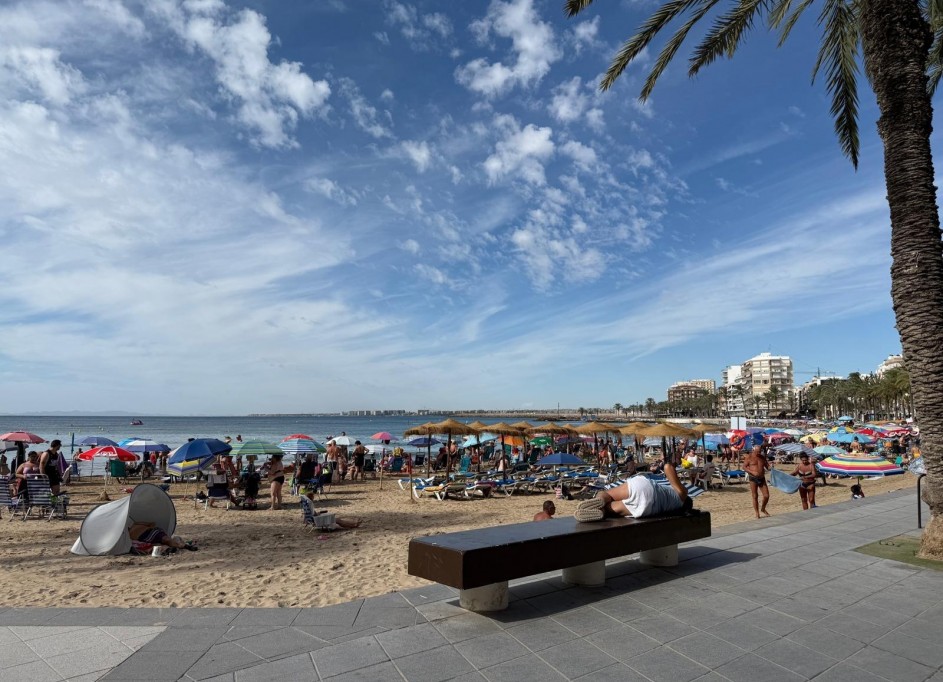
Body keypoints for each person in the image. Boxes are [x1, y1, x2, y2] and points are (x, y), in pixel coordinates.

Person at [575, 464, 692, 521]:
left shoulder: (682, 495)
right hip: (647, 508)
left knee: (608, 494)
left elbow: (668, 467)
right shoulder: (674, 508)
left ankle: (599, 499)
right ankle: (602, 512)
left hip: (646, 487)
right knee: (611, 510)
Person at [128, 521, 197, 551]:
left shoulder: (128, 535)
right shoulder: (135, 524)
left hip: (147, 537)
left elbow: (152, 524)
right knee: (166, 540)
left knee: (162, 542)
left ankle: (174, 547)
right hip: (151, 533)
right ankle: (182, 545)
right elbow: (152, 524)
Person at [743, 445, 771, 518]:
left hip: (762, 478)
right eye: (757, 451)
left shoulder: (762, 457)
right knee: (755, 496)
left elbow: (767, 466)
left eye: (759, 451)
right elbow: (744, 467)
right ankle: (757, 513)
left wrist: (770, 467)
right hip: (753, 478)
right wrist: (752, 472)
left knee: (766, 495)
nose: (758, 453)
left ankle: (763, 508)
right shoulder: (749, 457)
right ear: (753, 450)